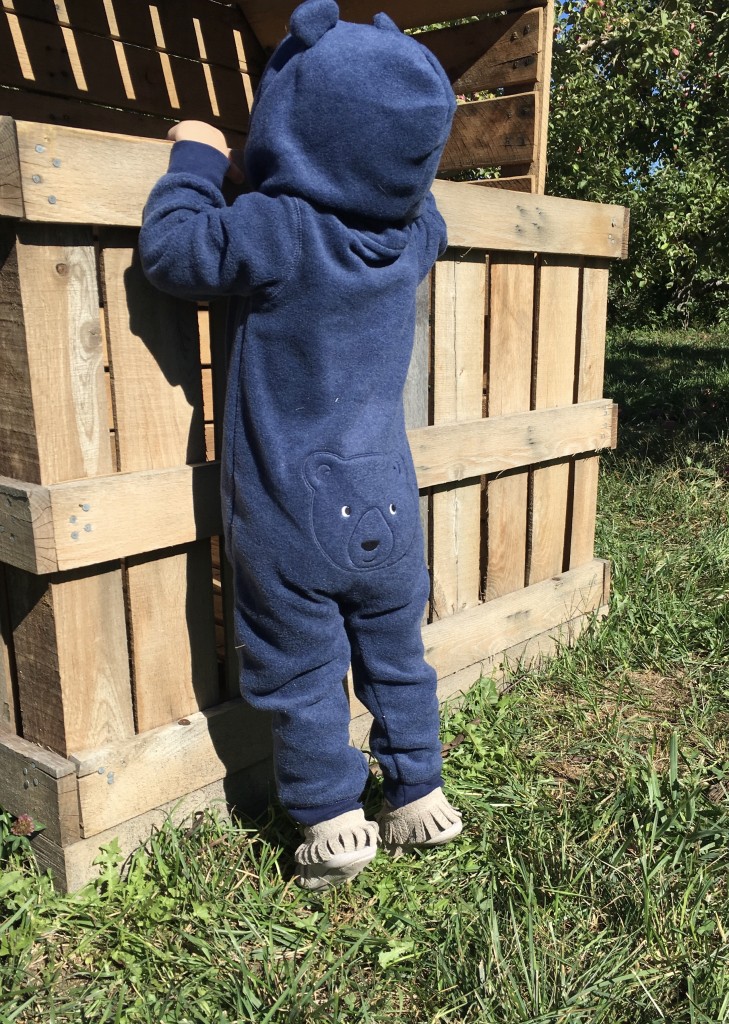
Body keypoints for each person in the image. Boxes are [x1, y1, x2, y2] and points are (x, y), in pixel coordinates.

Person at [139, 0, 462, 890]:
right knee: (397, 655)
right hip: (391, 503)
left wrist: (202, 158)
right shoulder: (410, 238)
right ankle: (418, 796)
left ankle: (329, 819)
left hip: (290, 505)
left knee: (302, 667)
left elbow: (174, 252)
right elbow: (404, 191)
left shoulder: (278, 230)